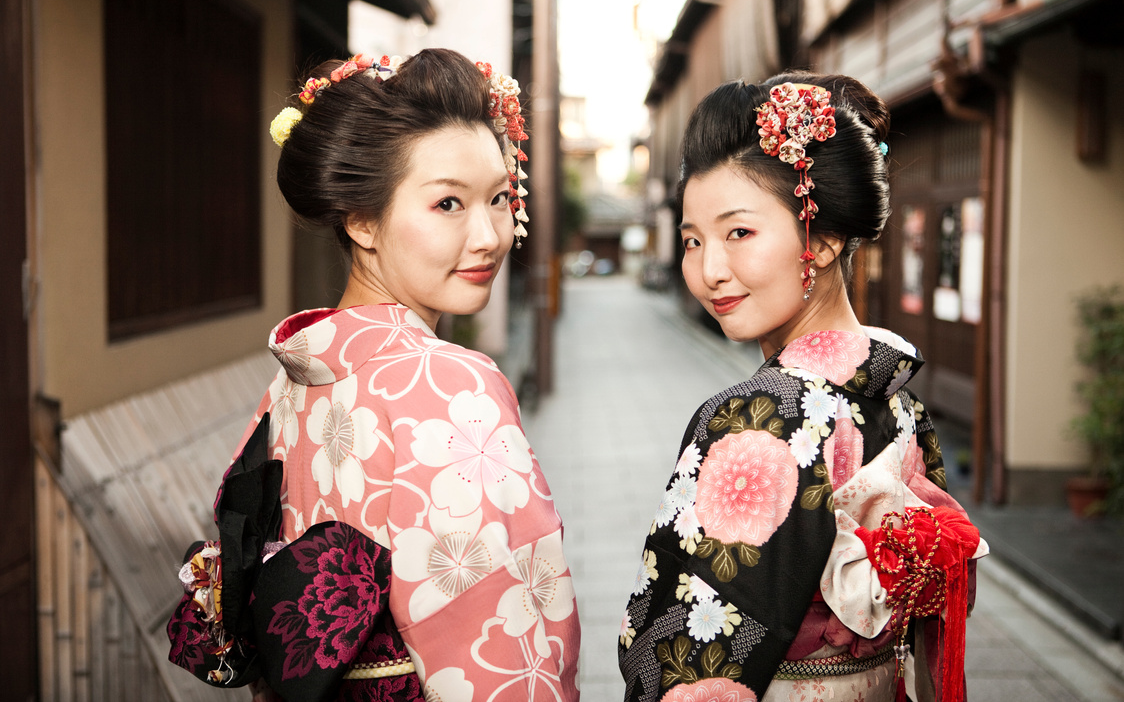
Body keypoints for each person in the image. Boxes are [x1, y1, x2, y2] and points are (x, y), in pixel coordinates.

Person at [167, 49, 579, 701]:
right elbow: (503, 646)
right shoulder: (446, 384)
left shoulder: (295, 377)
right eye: (448, 203)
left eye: (500, 199)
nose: (489, 235)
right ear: (361, 219)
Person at [618, 74, 987, 702]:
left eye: (739, 233)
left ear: (820, 240)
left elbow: (699, 656)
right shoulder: (892, 392)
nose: (709, 270)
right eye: (692, 241)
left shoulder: (761, 417)